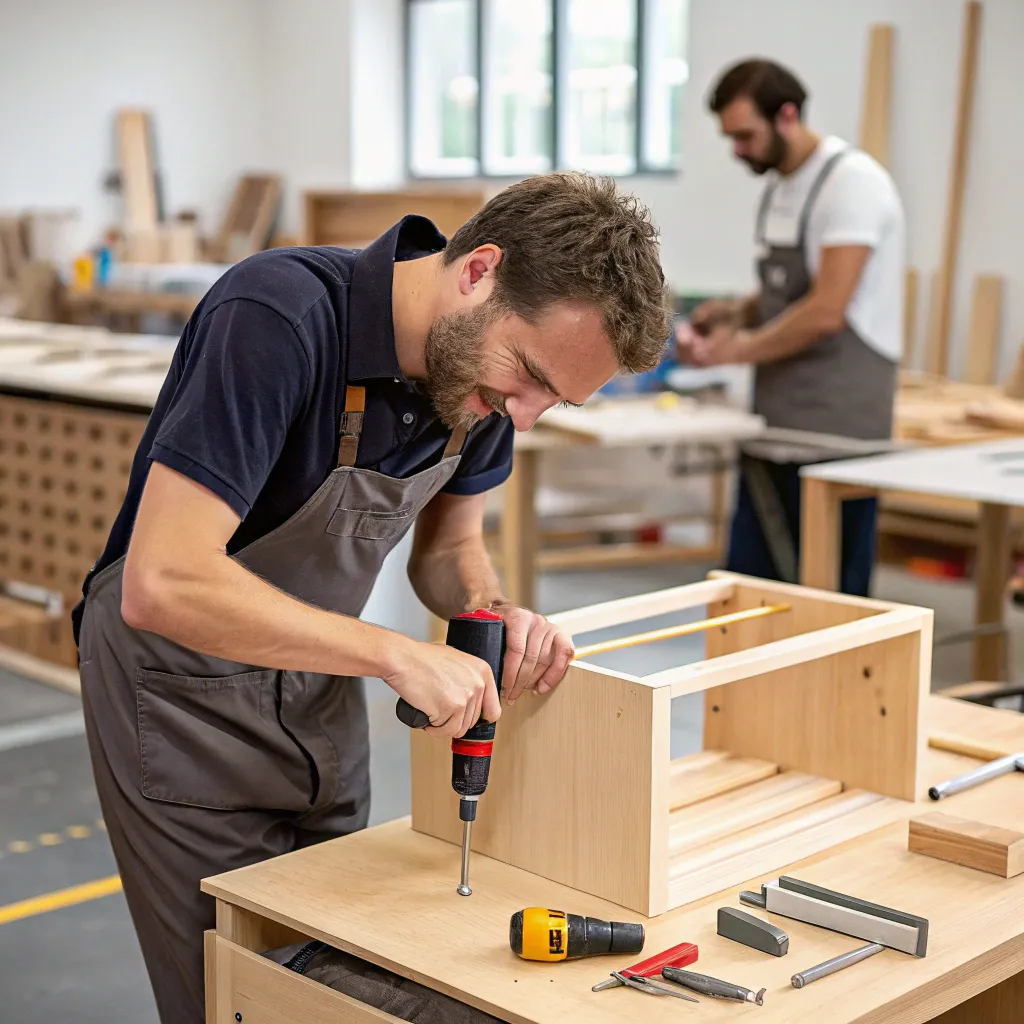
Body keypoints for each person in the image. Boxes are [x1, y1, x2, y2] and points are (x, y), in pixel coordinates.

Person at [72, 171, 673, 1024]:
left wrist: (492, 619)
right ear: (479, 271)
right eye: (528, 375)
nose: (525, 416)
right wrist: (393, 651)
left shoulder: (481, 385)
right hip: (177, 702)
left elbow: (453, 549)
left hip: (316, 688)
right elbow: (162, 581)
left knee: (340, 973)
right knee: (231, 994)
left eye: (555, 399)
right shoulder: (278, 318)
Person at [676, 58, 905, 596]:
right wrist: (737, 311)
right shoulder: (782, 187)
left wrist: (733, 352)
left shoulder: (852, 184)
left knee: (831, 601)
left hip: (834, 432)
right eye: (729, 138)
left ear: (786, 115)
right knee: (753, 591)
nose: (737, 150)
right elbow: (788, 292)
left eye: (745, 135)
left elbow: (826, 310)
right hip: (776, 424)